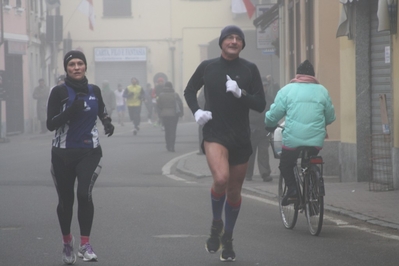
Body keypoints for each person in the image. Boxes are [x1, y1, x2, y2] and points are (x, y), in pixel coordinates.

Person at [184, 25, 266, 262]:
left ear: (242, 44)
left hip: (241, 136)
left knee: (234, 190)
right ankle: (215, 224)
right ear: (221, 42)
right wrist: (196, 111)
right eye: (229, 37)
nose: (234, 41)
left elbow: (260, 103)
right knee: (221, 179)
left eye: (238, 38)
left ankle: (227, 238)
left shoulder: (249, 69)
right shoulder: (208, 67)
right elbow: (189, 90)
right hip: (214, 132)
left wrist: (242, 94)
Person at [47, 50, 114, 265]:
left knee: (84, 194)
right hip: (62, 154)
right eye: (72, 64)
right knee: (66, 202)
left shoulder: (94, 90)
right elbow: (50, 124)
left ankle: (85, 245)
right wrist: (70, 111)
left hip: (89, 151)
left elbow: (101, 109)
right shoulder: (59, 92)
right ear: (66, 68)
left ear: (85, 66)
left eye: (80, 63)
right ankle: (68, 242)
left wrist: (106, 121)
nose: (76, 67)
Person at [265, 59, 336, 206]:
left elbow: (274, 114)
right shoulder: (322, 90)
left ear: (298, 75)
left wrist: (270, 125)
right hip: (316, 141)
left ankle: (293, 191)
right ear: (313, 75)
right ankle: (313, 190)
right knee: (309, 161)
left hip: (293, 140)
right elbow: (330, 117)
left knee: (286, 164)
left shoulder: (287, 90)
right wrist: (322, 124)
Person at [245, 76, 274, 182]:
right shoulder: (250, 98)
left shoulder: (270, 99)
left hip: (264, 130)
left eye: (265, 86)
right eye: (262, 86)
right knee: (250, 154)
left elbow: (273, 112)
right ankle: (248, 174)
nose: (264, 88)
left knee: (263, 153)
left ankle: (265, 174)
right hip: (251, 130)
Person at [157, 81, 183, 152]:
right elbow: (180, 104)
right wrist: (181, 114)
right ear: (171, 87)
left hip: (165, 115)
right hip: (174, 115)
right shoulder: (175, 95)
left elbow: (158, 105)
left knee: (167, 131)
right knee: (173, 131)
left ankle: (168, 145)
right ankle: (172, 146)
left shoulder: (161, 95)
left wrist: (160, 114)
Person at [196, 88, 205, 155]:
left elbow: (199, 99)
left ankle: (202, 150)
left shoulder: (205, 89)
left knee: (202, 131)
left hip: (204, 113)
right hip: (217, 114)